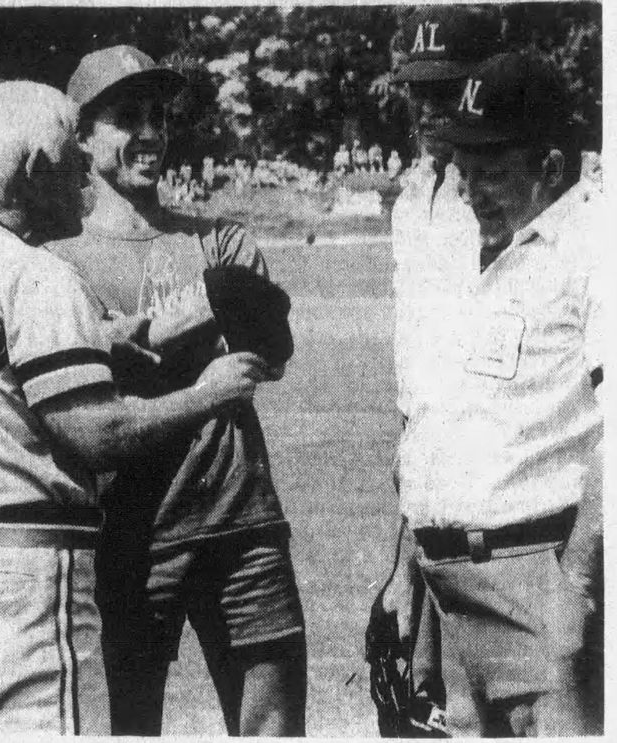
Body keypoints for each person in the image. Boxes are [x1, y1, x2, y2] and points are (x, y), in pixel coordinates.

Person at [0, 79, 271, 735]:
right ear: (36, 167)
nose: (83, 178)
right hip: (20, 576)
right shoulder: (38, 274)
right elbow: (97, 432)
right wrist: (207, 394)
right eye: (73, 160)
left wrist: (112, 337)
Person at [47, 45, 307, 737]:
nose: (150, 134)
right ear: (82, 135)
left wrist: (131, 335)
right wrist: (202, 322)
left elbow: (267, 347)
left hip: (242, 521)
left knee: (275, 728)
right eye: (127, 118)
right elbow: (89, 401)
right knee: (128, 726)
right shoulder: (52, 264)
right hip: (128, 534)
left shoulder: (218, 238)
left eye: (158, 116)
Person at [392, 50, 603, 737]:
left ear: (550, 167)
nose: (470, 192)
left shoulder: (593, 247)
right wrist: (406, 574)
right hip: (453, 589)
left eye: (489, 173)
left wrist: (576, 590)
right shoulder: (487, 248)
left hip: (536, 581)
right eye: (464, 171)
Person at [378, 6, 502, 735]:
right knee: (416, 685)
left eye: (445, 89)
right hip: (424, 450)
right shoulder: (412, 196)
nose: (427, 107)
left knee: (496, 683)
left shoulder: (503, 198)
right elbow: (414, 349)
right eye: (417, 90)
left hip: (491, 459)